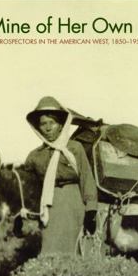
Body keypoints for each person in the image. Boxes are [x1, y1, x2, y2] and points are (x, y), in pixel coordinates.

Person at [25, 96, 98, 255]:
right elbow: (28, 189)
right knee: (50, 252)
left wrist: (91, 211)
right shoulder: (34, 156)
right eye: (43, 124)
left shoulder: (74, 148)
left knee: (76, 251)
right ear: (38, 127)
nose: (48, 128)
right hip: (49, 208)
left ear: (61, 126)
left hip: (73, 203)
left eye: (52, 123)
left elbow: (87, 179)